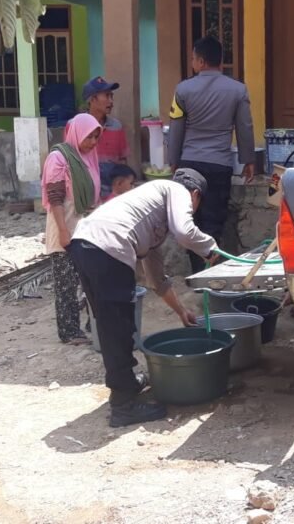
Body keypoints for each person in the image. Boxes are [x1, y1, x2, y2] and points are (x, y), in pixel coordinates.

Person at [68, 169, 220, 427]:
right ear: (195, 195)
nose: (192, 209)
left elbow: (156, 278)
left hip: (85, 244)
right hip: (108, 246)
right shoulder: (176, 190)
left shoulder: (150, 214)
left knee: (110, 324)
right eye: (196, 204)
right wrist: (209, 247)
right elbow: (185, 232)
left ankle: (125, 384)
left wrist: (181, 312)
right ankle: (123, 406)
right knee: (118, 327)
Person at [167, 36, 255, 273]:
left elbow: (176, 128)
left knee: (189, 220)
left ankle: (197, 272)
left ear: (202, 61)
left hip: (189, 163)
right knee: (214, 222)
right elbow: (245, 127)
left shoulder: (182, 90)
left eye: (193, 58)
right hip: (219, 165)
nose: (192, 63)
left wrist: (173, 161)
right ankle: (209, 273)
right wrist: (248, 160)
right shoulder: (238, 90)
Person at [41, 113, 103, 345]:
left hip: (86, 230)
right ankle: (69, 331)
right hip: (65, 227)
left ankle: (92, 324)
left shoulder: (89, 157)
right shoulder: (59, 158)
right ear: (77, 134)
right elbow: (55, 197)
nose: (93, 142)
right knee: (67, 283)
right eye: (89, 137)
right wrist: (63, 231)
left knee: (92, 279)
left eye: (96, 137)